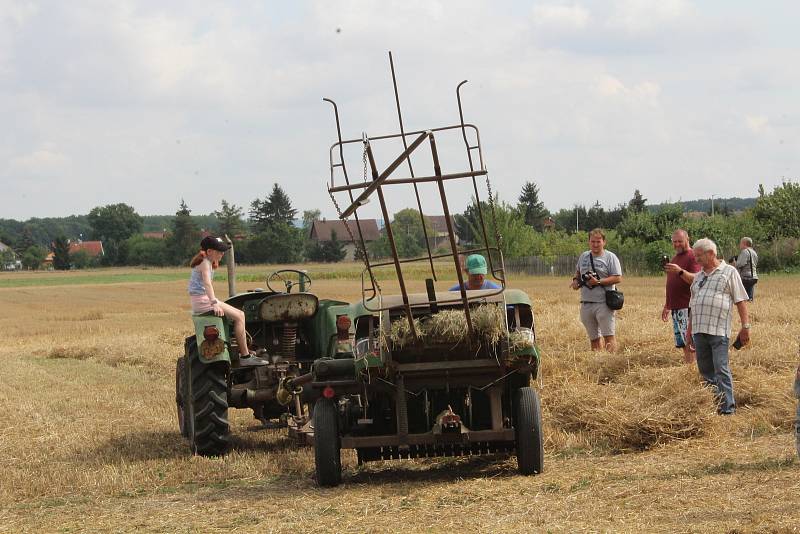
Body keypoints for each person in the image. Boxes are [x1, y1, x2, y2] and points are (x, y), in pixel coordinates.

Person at [687, 238, 750, 415]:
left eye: (699, 256)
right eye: (695, 255)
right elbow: (693, 305)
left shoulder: (729, 272)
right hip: (699, 330)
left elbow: (741, 301)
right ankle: (714, 403)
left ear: (711, 254)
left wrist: (745, 326)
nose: (696, 259)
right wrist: (690, 331)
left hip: (718, 330)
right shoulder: (698, 277)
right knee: (705, 370)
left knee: (721, 369)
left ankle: (728, 408)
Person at [188, 236, 256, 359]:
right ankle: (245, 355)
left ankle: (241, 348)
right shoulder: (204, 263)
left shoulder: (205, 261)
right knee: (240, 316)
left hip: (200, 300)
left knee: (237, 315)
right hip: (203, 301)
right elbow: (207, 284)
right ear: (209, 251)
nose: (222, 253)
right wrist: (214, 303)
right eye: (219, 251)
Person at [570, 228, 623, 352]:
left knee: (608, 337)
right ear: (589, 242)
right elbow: (578, 273)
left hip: (603, 303)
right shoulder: (583, 256)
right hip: (586, 303)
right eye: (592, 241)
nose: (595, 244)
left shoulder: (610, 257)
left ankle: (611, 364)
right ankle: (596, 362)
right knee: (594, 339)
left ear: (604, 242)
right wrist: (575, 281)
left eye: (598, 241)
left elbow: (618, 278)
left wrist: (598, 282)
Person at [662, 229, 702, 363]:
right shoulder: (675, 258)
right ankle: (689, 367)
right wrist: (667, 304)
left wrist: (680, 271)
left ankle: (694, 370)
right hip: (676, 307)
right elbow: (671, 284)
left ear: (687, 239)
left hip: (687, 306)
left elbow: (696, 279)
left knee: (691, 343)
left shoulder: (692, 256)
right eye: (674, 242)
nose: (677, 244)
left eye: (680, 241)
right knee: (683, 343)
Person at [734, 237, 758, 301]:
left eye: (740, 243)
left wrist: (735, 263)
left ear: (744, 243)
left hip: (745, 277)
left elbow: (740, 264)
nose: (739, 245)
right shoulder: (754, 252)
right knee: (749, 298)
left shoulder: (745, 251)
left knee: (742, 298)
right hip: (754, 277)